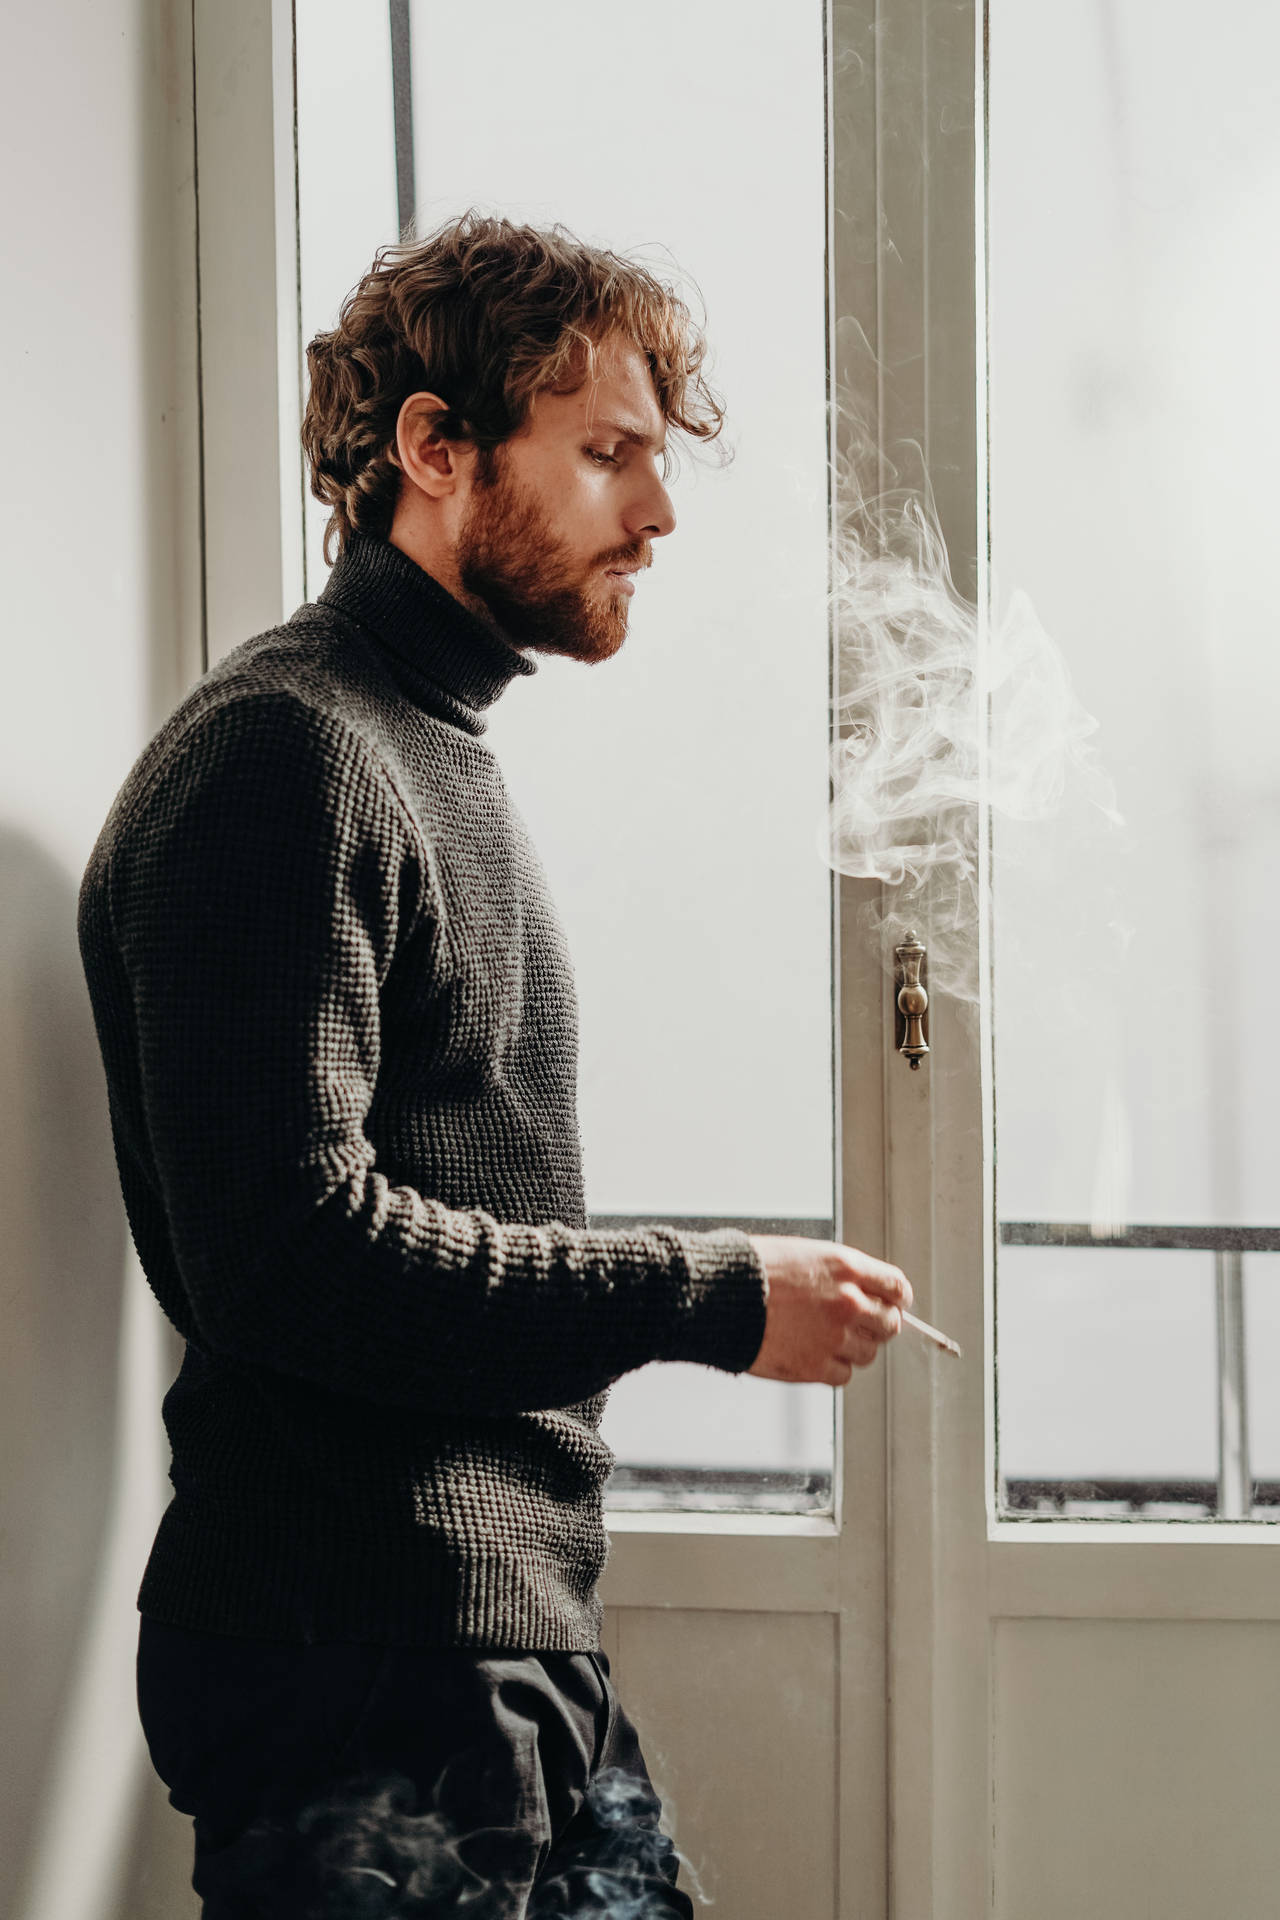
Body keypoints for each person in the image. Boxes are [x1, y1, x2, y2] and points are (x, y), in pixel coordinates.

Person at [78, 212, 911, 1918]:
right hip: (364, 1656)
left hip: (479, 1638)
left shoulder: (418, 745)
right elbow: (291, 1254)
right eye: (608, 454)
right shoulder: (285, 756)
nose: (659, 514)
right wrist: (709, 1294)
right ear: (434, 449)